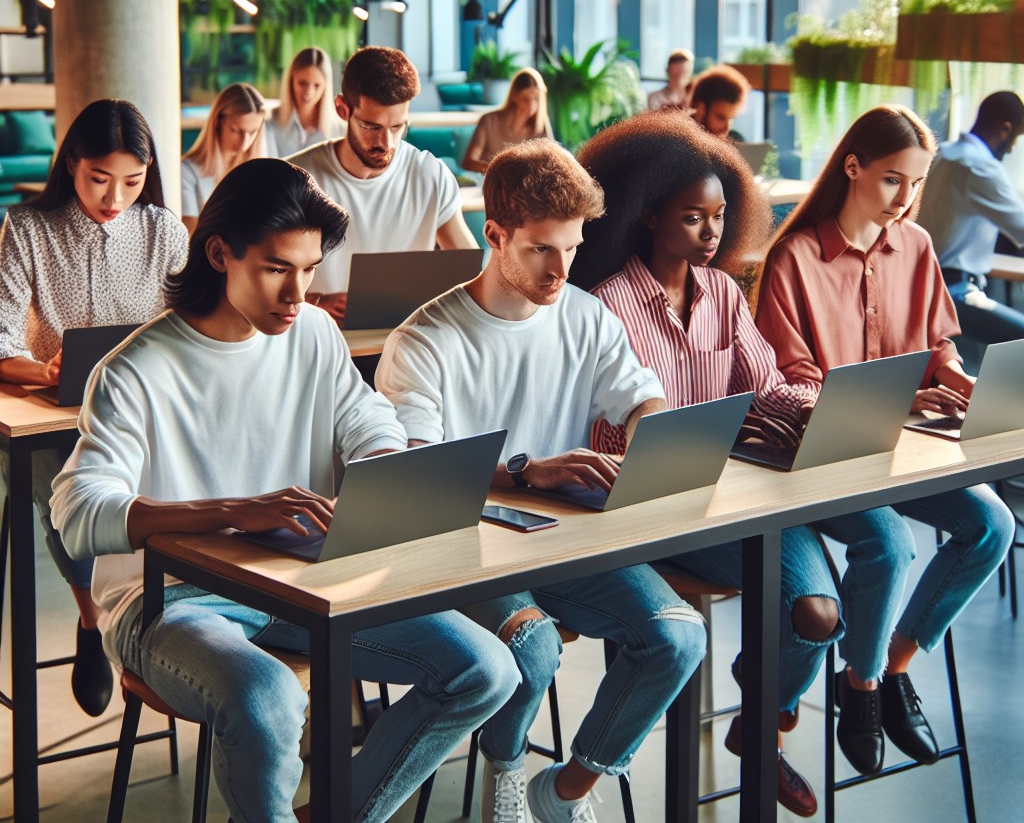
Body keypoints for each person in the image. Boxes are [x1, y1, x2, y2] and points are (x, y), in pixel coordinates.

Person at [49, 158, 519, 823]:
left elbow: (369, 420)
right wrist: (235, 512)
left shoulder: (314, 336)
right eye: (277, 268)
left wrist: (386, 463)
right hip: (167, 603)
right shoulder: (133, 369)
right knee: (269, 695)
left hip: (305, 585)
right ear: (220, 254)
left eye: (309, 268)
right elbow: (77, 513)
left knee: (486, 669)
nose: (299, 292)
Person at [376, 139, 707, 823]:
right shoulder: (426, 338)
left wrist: (653, 438)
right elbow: (416, 476)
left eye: (573, 248)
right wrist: (527, 471)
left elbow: (641, 398)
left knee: (679, 636)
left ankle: (563, 790)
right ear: (494, 235)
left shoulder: (585, 316)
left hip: (563, 540)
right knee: (534, 645)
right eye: (542, 251)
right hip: (464, 551)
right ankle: (506, 768)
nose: (561, 270)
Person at [571, 110, 838, 818]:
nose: (712, 233)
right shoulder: (606, 305)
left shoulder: (722, 292)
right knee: (794, 606)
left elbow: (771, 386)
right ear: (648, 216)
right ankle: (754, 731)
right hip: (653, 513)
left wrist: (823, 406)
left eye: (720, 216)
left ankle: (758, 721)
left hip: (737, 501)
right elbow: (605, 436)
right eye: (694, 218)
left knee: (816, 614)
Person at [756, 104, 1014, 777]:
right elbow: (796, 381)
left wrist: (958, 382)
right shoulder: (794, 257)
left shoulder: (918, 248)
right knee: (889, 545)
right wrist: (897, 404)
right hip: (824, 460)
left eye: (917, 184)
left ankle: (888, 668)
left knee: (991, 523)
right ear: (853, 167)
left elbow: (938, 346)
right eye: (894, 180)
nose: (905, 200)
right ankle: (863, 687)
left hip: (909, 452)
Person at [0, 98, 188, 717]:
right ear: (72, 164)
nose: (115, 197)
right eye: (99, 179)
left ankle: (167, 621)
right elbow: (0, 334)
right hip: (56, 412)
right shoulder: (27, 228)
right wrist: (40, 368)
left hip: (145, 408)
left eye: (131, 182)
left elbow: (190, 324)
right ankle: (93, 619)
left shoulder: (162, 228)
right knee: (69, 486)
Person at [289, 45, 478, 325]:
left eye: (397, 127)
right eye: (371, 127)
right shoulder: (297, 178)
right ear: (342, 109)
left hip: (408, 343)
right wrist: (317, 302)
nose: (386, 144)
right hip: (321, 339)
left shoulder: (430, 175)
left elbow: (472, 276)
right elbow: (261, 276)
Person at [916, 91, 1024, 346]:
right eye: (1016, 139)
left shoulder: (943, 155)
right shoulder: (979, 167)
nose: (1012, 149)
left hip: (924, 284)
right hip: (954, 291)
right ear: (1005, 129)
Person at [181, 82, 267, 234]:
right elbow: (190, 234)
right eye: (236, 130)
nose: (244, 142)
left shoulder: (260, 171)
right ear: (217, 123)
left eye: (253, 132)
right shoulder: (187, 171)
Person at [462, 67, 554, 173]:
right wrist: (500, 171)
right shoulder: (488, 121)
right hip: (491, 184)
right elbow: (468, 162)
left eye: (536, 99)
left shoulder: (541, 126)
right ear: (514, 97)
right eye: (525, 99)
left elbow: (551, 162)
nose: (532, 106)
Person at [265, 46, 338, 159]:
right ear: (291, 81)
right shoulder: (270, 123)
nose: (309, 92)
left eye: (317, 85)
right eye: (302, 83)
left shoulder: (339, 130)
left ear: (326, 87)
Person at [689, 64, 750, 139]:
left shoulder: (734, 140)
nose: (726, 128)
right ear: (700, 109)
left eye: (731, 119)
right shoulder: (675, 141)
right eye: (721, 118)